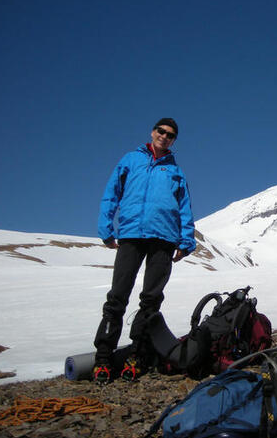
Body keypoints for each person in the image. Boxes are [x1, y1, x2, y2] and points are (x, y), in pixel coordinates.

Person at [92, 118, 196, 384]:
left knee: (151, 299)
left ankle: (137, 355)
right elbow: (111, 192)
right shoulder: (130, 160)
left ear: (174, 141)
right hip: (131, 235)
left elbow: (184, 206)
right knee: (118, 296)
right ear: (152, 132)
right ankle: (103, 357)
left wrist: (186, 240)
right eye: (161, 131)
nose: (164, 136)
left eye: (170, 135)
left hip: (164, 238)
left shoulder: (175, 171)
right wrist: (106, 226)